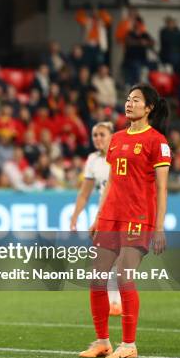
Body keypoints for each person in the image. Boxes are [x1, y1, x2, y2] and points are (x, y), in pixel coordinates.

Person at [80, 84, 171, 358]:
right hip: (110, 217)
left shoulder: (158, 142)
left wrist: (159, 227)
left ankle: (129, 344)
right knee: (97, 277)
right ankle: (102, 341)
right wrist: (98, 215)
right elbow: (111, 183)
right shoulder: (117, 138)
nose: (129, 104)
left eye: (136, 100)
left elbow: (162, 187)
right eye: (128, 99)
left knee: (123, 275)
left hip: (138, 218)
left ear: (149, 107)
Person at [69, 122, 121, 315]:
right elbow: (84, 193)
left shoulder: (122, 156)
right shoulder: (92, 160)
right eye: (95, 135)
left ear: (111, 136)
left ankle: (116, 300)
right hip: (105, 213)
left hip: (125, 211)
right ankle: (114, 302)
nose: (97, 138)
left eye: (102, 134)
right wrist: (75, 215)